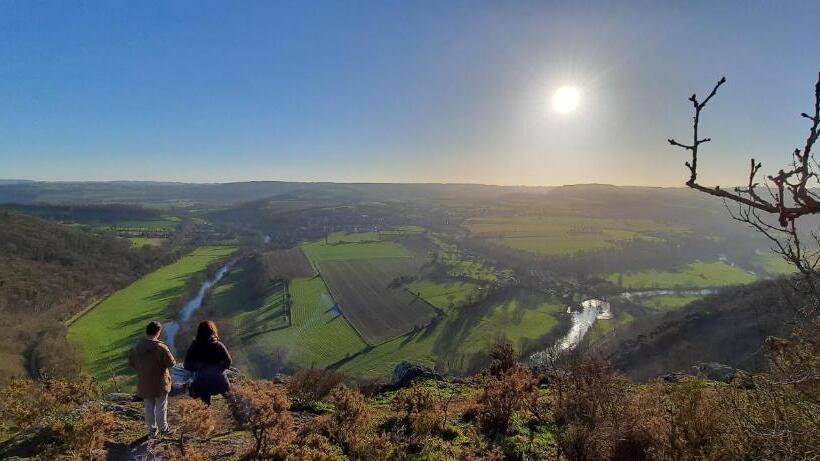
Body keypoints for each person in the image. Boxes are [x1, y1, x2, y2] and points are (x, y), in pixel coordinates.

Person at [128, 321, 176, 437]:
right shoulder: (161, 347)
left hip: (144, 382)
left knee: (149, 407)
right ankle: (164, 429)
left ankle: (152, 430)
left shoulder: (136, 348)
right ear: (158, 332)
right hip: (160, 382)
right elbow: (171, 363)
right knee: (161, 407)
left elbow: (131, 363)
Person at [184, 320, 232, 406]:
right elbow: (228, 361)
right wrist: (218, 370)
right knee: (233, 402)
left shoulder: (194, 347)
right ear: (212, 331)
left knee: (205, 408)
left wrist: (199, 367)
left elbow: (187, 365)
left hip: (202, 382)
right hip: (220, 380)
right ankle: (240, 417)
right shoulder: (218, 345)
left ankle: (207, 419)